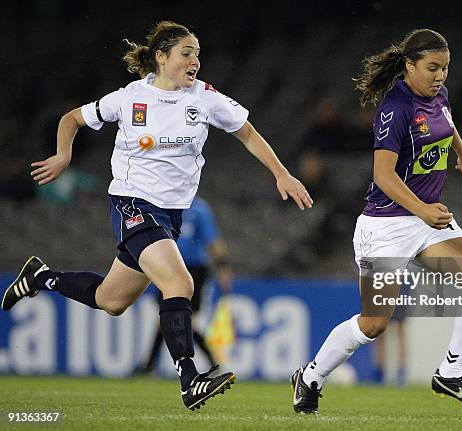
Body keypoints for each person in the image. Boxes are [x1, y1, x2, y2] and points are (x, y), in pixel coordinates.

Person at [1, 21, 312, 411]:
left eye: (197, 54)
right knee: (180, 282)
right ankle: (189, 378)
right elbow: (72, 119)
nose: (195, 61)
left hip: (170, 215)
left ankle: (40, 277)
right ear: (162, 58)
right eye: (186, 53)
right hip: (132, 203)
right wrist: (64, 155)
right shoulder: (130, 97)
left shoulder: (206, 98)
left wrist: (281, 172)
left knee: (111, 300)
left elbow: (247, 133)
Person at [291, 29, 462, 414]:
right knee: (374, 325)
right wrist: (422, 209)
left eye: (445, 69)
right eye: (432, 68)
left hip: (425, 221)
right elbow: (384, 177)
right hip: (386, 225)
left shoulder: (438, 95)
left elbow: (445, 121)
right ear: (409, 65)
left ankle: (450, 373)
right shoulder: (395, 108)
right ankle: (311, 376)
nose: (440, 76)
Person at [134, 196, 232, 375]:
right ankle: (149, 366)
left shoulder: (199, 209)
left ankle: (214, 363)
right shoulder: (161, 203)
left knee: (184, 320)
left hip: (193, 269)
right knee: (167, 318)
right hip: (165, 265)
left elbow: (214, 242)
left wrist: (223, 268)